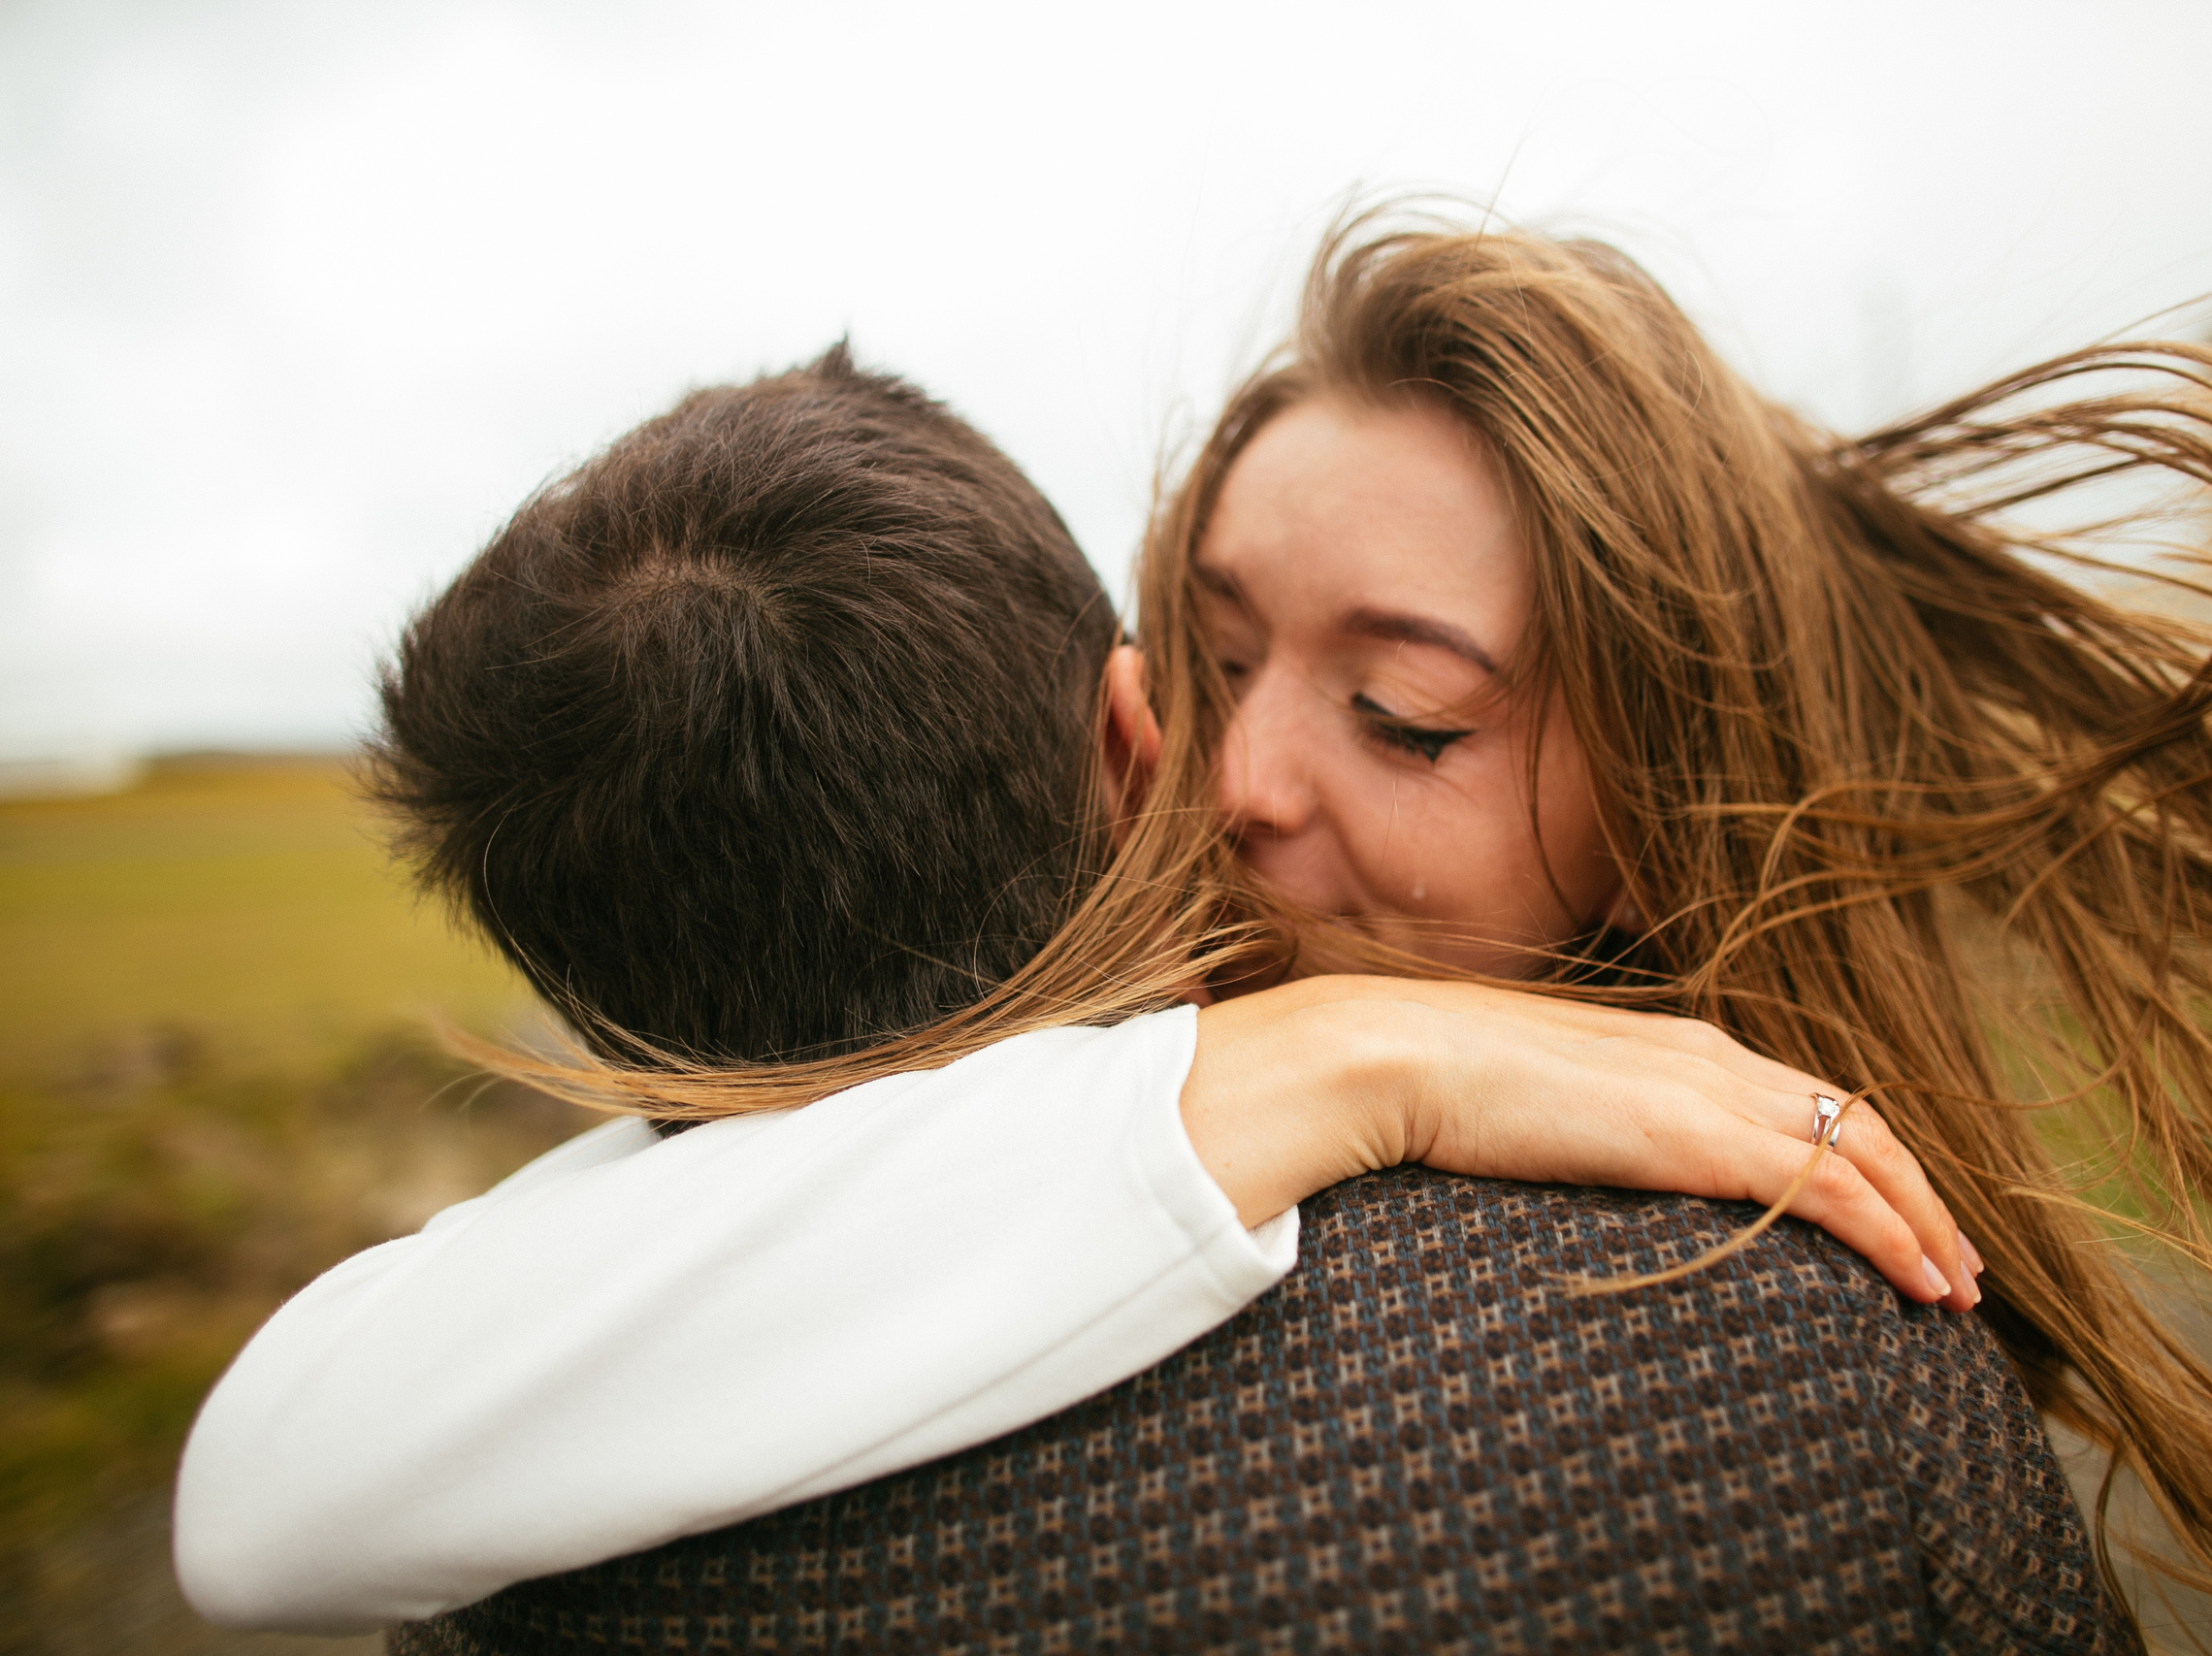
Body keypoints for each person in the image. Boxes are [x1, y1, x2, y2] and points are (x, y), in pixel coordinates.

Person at [175, 343, 1981, 1634]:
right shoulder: (1825, 1366)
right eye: (1214, 657)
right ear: (1129, 718)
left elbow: (271, 1492)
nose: (1238, 781)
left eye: (1406, 717)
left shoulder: (511, 1524)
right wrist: (1353, 1050)